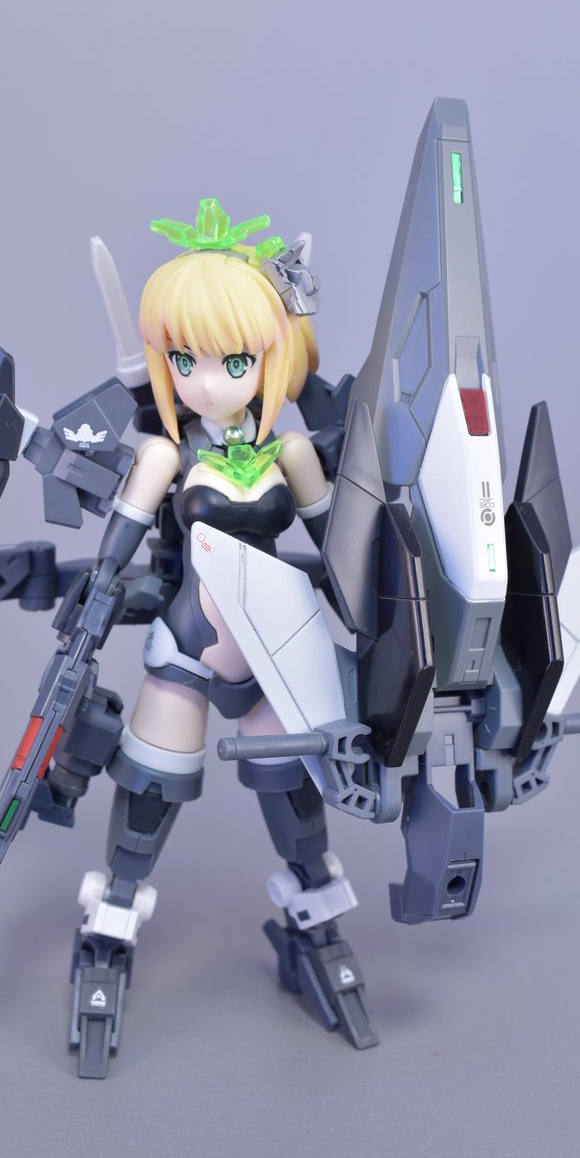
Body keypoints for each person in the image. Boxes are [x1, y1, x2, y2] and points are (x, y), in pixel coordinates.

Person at [61, 201, 377, 1074]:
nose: (207, 382)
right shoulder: (166, 455)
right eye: (185, 360)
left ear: (272, 357)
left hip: (278, 654)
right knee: (150, 793)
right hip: (189, 647)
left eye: (234, 361)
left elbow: (343, 555)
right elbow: (113, 554)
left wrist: (383, 620)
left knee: (294, 796)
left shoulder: (291, 452)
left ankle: (315, 922)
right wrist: (89, 605)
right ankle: (111, 925)